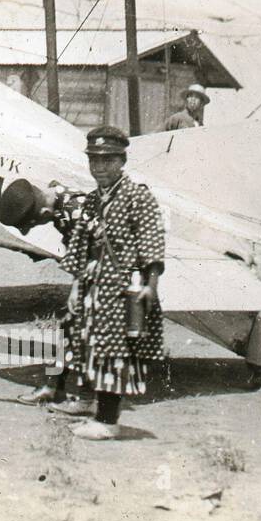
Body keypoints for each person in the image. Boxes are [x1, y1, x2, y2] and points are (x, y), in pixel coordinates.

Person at [56, 125, 167, 441]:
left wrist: (151, 285)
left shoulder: (137, 197)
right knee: (86, 343)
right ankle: (90, 404)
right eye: (94, 160)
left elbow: (151, 241)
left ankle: (108, 421)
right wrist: (77, 287)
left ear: (122, 161)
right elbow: (79, 243)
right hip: (94, 285)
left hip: (122, 289)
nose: (99, 167)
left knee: (113, 352)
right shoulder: (92, 201)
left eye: (107, 160)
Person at [0, 177, 94, 411]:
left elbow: (95, 252)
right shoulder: (57, 199)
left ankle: (86, 400)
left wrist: (79, 287)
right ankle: (53, 387)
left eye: (36, 223)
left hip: (112, 269)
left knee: (88, 331)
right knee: (71, 326)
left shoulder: (75, 211)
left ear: (44, 212)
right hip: (93, 268)